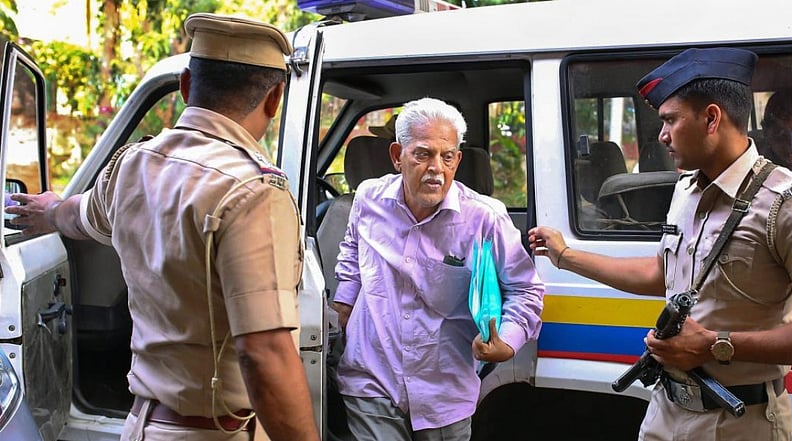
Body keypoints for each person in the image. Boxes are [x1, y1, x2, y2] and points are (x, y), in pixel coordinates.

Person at [6, 13, 319, 441]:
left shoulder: (134, 164)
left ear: (187, 85)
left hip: (141, 426)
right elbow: (264, 353)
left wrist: (49, 210)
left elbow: (78, 216)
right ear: (275, 99)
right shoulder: (254, 190)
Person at [529, 48, 792, 440]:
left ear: (711, 118)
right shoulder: (687, 189)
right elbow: (662, 274)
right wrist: (566, 256)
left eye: (670, 120)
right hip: (665, 413)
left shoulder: (789, 205)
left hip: (740, 422)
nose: (662, 135)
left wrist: (716, 346)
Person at [332, 97, 544, 440]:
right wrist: (343, 304)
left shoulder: (484, 218)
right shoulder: (368, 198)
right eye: (423, 154)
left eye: (447, 157)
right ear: (397, 155)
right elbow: (352, 255)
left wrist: (506, 340)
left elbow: (525, 289)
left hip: (443, 389)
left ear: (458, 160)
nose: (436, 168)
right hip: (369, 379)